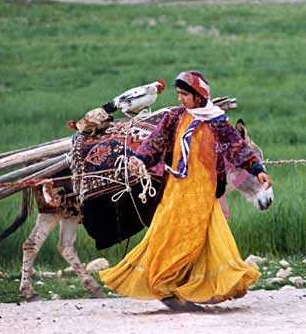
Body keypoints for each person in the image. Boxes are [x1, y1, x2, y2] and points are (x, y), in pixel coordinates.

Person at [100, 70, 272, 311]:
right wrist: (140, 159)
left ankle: (197, 288)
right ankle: (164, 286)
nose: (180, 98)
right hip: (176, 189)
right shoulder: (174, 118)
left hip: (204, 192)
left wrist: (256, 169)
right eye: (179, 94)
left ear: (199, 95)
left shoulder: (218, 122)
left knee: (205, 240)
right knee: (167, 235)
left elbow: (237, 147)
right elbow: (156, 142)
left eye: (185, 94)